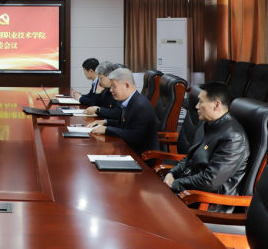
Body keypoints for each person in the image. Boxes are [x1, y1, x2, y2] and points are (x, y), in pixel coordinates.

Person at [163, 82, 249, 211]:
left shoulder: (233, 138)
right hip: (189, 192)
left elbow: (209, 181)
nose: (196, 106)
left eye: (201, 102)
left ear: (216, 104)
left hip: (207, 203)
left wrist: (175, 183)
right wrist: (172, 173)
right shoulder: (208, 124)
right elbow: (190, 157)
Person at [87, 67, 159, 155]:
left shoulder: (140, 106)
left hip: (140, 156)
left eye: (114, 86)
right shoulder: (131, 101)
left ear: (127, 85)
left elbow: (135, 136)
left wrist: (107, 130)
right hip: (127, 149)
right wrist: (105, 122)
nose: (111, 90)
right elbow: (124, 124)